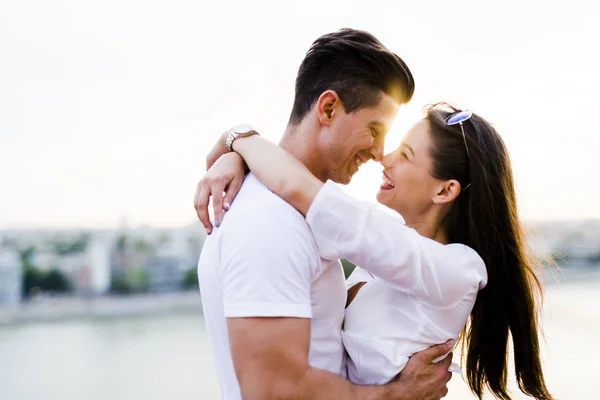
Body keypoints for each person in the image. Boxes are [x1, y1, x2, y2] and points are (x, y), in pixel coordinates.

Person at [196, 103, 554, 400]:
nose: (385, 158)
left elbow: (298, 187)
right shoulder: (381, 256)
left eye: (406, 155)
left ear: (445, 191)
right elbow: (293, 192)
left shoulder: (457, 271)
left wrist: (239, 139)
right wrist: (236, 157)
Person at [195, 29, 454, 400]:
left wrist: (237, 143)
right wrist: (400, 394)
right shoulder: (271, 223)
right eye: (374, 129)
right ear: (328, 108)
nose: (380, 152)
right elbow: (272, 391)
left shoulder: (290, 210)